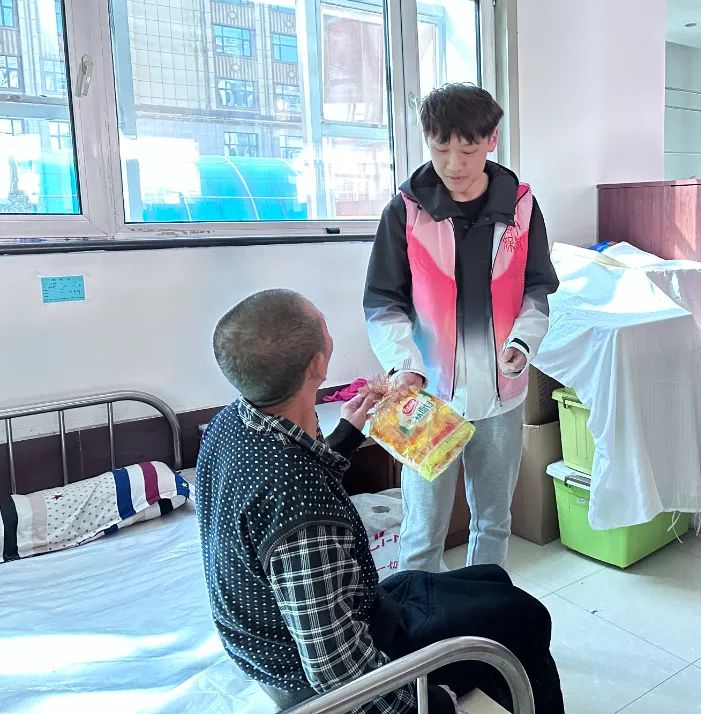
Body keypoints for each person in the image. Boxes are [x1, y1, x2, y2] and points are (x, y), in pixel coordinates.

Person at [196, 289, 564, 713]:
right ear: (318, 364)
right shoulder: (303, 519)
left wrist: (347, 436)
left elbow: (294, 479)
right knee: (526, 616)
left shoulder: (230, 423)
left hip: (322, 620)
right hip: (318, 671)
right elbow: (336, 671)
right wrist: (430, 704)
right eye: (324, 322)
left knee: (491, 579)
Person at [364, 84, 559, 573]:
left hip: (502, 394)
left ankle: (483, 606)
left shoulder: (521, 208)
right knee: (422, 528)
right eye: (440, 148)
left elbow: (538, 287)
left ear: (492, 140)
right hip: (427, 397)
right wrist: (403, 365)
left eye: (468, 150)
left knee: (493, 521)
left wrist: (522, 343)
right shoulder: (405, 211)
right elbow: (383, 301)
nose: (453, 164)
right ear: (427, 141)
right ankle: (421, 616)